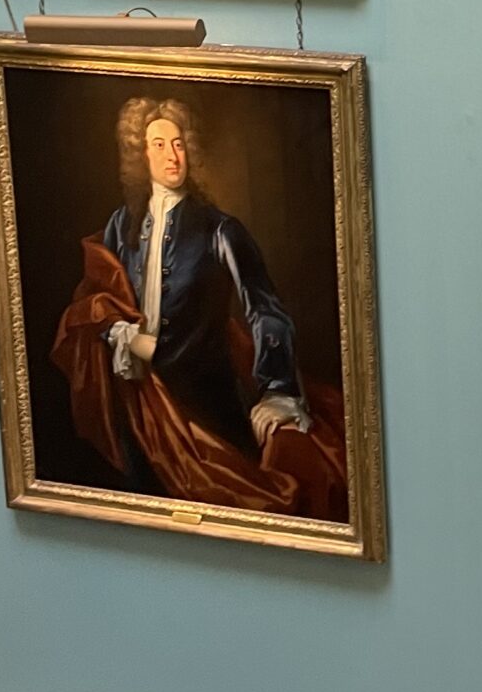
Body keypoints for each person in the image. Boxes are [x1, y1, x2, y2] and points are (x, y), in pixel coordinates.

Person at [51, 94, 347, 518]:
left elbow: (265, 310)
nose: (172, 155)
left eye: (178, 143)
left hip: (208, 407)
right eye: (158, 144)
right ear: (140, 153)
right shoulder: (121, 224)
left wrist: (278, 389)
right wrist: (118, 333)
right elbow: (100, 298)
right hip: (139, 407)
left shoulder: (220, 230)